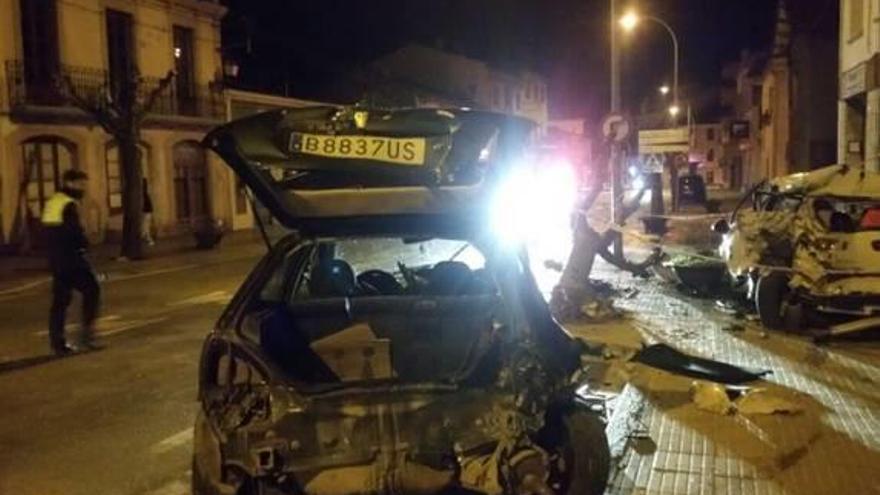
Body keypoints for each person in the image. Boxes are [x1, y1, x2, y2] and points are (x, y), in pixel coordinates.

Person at [42, 169, 102, 355]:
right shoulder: (68, 204)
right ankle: (86, 337)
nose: (83, 188)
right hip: (72, 259)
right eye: (81, 184)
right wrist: (85, 243)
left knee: (60, 301)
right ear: (70, 183)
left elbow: (46, 232)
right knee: (92, 290)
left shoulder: (54, 201)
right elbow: (72, 232)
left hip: (56, 259)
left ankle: (58, 343)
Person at [142, 178, 155, 246]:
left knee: (145, 227)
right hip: (147, 211)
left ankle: (149, 239)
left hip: (146, 211)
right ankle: (148, 239)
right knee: (145, 227)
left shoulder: (143, 193)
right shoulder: (145, 192)